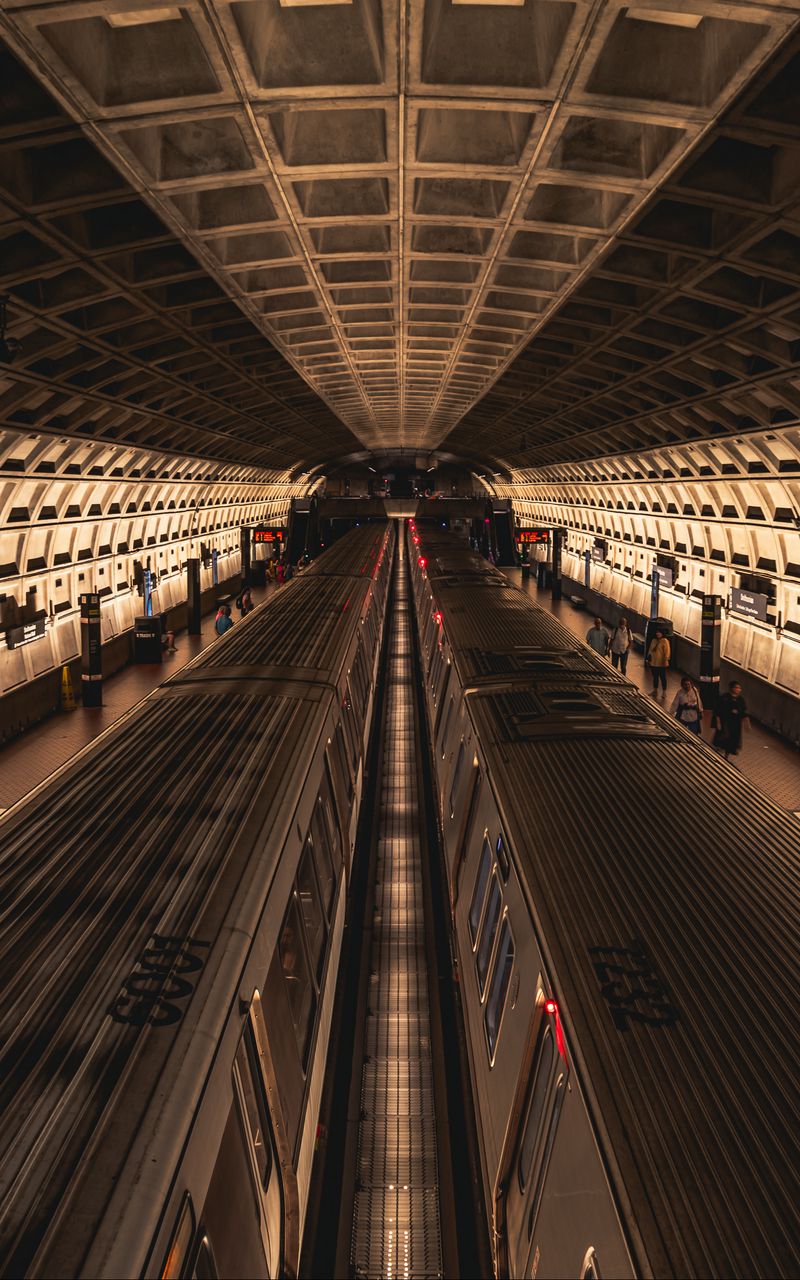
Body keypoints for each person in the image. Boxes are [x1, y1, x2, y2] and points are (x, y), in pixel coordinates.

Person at [712, 681, 749, 759]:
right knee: (723, 739)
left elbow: (744, 713)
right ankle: (719, 753)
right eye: (736, 687)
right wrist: (718, 722)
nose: (738, 690)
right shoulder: (725, 697)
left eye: (739, 688)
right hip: (725, 723)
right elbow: (717, 710)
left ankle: (726, 755)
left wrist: (747, 724)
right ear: (731, 688)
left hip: (735, 725)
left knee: (731, 741)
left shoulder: (740, 700)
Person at [646, 627, 671, 698]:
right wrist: (648, 658)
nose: (657, 633)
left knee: (663, 677)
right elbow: (650, 650)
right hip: (653, 662)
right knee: (655, 677)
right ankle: (655, 690)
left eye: (659, 632)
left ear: (662, 633)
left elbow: (667, 651)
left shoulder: (665, 641)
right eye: (657, 632)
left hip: (661, 663)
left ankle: (664, 692)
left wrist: (666, 660)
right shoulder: (653, 640)